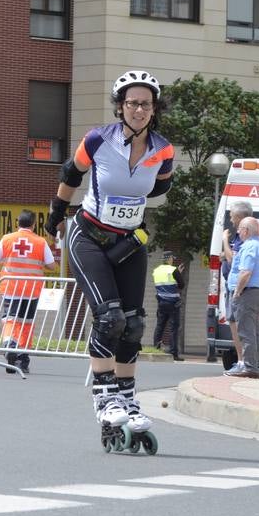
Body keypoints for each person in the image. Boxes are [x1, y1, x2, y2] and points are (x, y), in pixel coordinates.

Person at [47, 70, 173, 453]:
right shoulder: (98, 139)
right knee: (109, 318)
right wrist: (54, 218)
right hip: (89, 236)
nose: (138, 109)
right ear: (121, 107)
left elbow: (162, 186)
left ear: (153, 110)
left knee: (133, 324)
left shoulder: (163, 149)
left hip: (130, 241)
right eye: (132, 103)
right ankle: (104, 397)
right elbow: (71, 175)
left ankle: (127, 398)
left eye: (145, 104)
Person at [0, 208, 56, 375]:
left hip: (10, 288)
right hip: (31, 290)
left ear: (18, 222)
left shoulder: (7, 239)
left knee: (10, 319)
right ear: (33, 224)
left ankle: (9, 345)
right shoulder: (40, 242)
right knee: (26, 323)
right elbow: (52, 266)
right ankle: (22, 359)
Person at [225, 215, 259, 379]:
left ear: (246, 230)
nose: (238, 231)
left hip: (247, 293)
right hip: (255, 293)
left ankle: (250, 368)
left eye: (240, 229)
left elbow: (245, 272)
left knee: (246, 331)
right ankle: (255, 364)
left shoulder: (250, 246)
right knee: (254, 331)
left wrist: (237, 291)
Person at [214, 199, 253, 363]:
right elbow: (229, 256)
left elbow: (232, 260)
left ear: (239, 217)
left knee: (237, 326)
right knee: (235, 324)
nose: (230, 220)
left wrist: (224, 241)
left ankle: (242, 361)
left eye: (232, 216)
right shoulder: (240, 237)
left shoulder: (243, 238)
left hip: (237, 288)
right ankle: (241, 361)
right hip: (232, 285)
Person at [151, 252, 184, 360]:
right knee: (174, 328)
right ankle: (173, 353)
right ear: (169, 259)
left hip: (161, 302)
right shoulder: (173, 270)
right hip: (173, 303)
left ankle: (156, 348)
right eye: (172, 258)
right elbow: (181, 285)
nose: (172, 260)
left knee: (160, 326)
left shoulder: (156, 271)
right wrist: (178, 273)